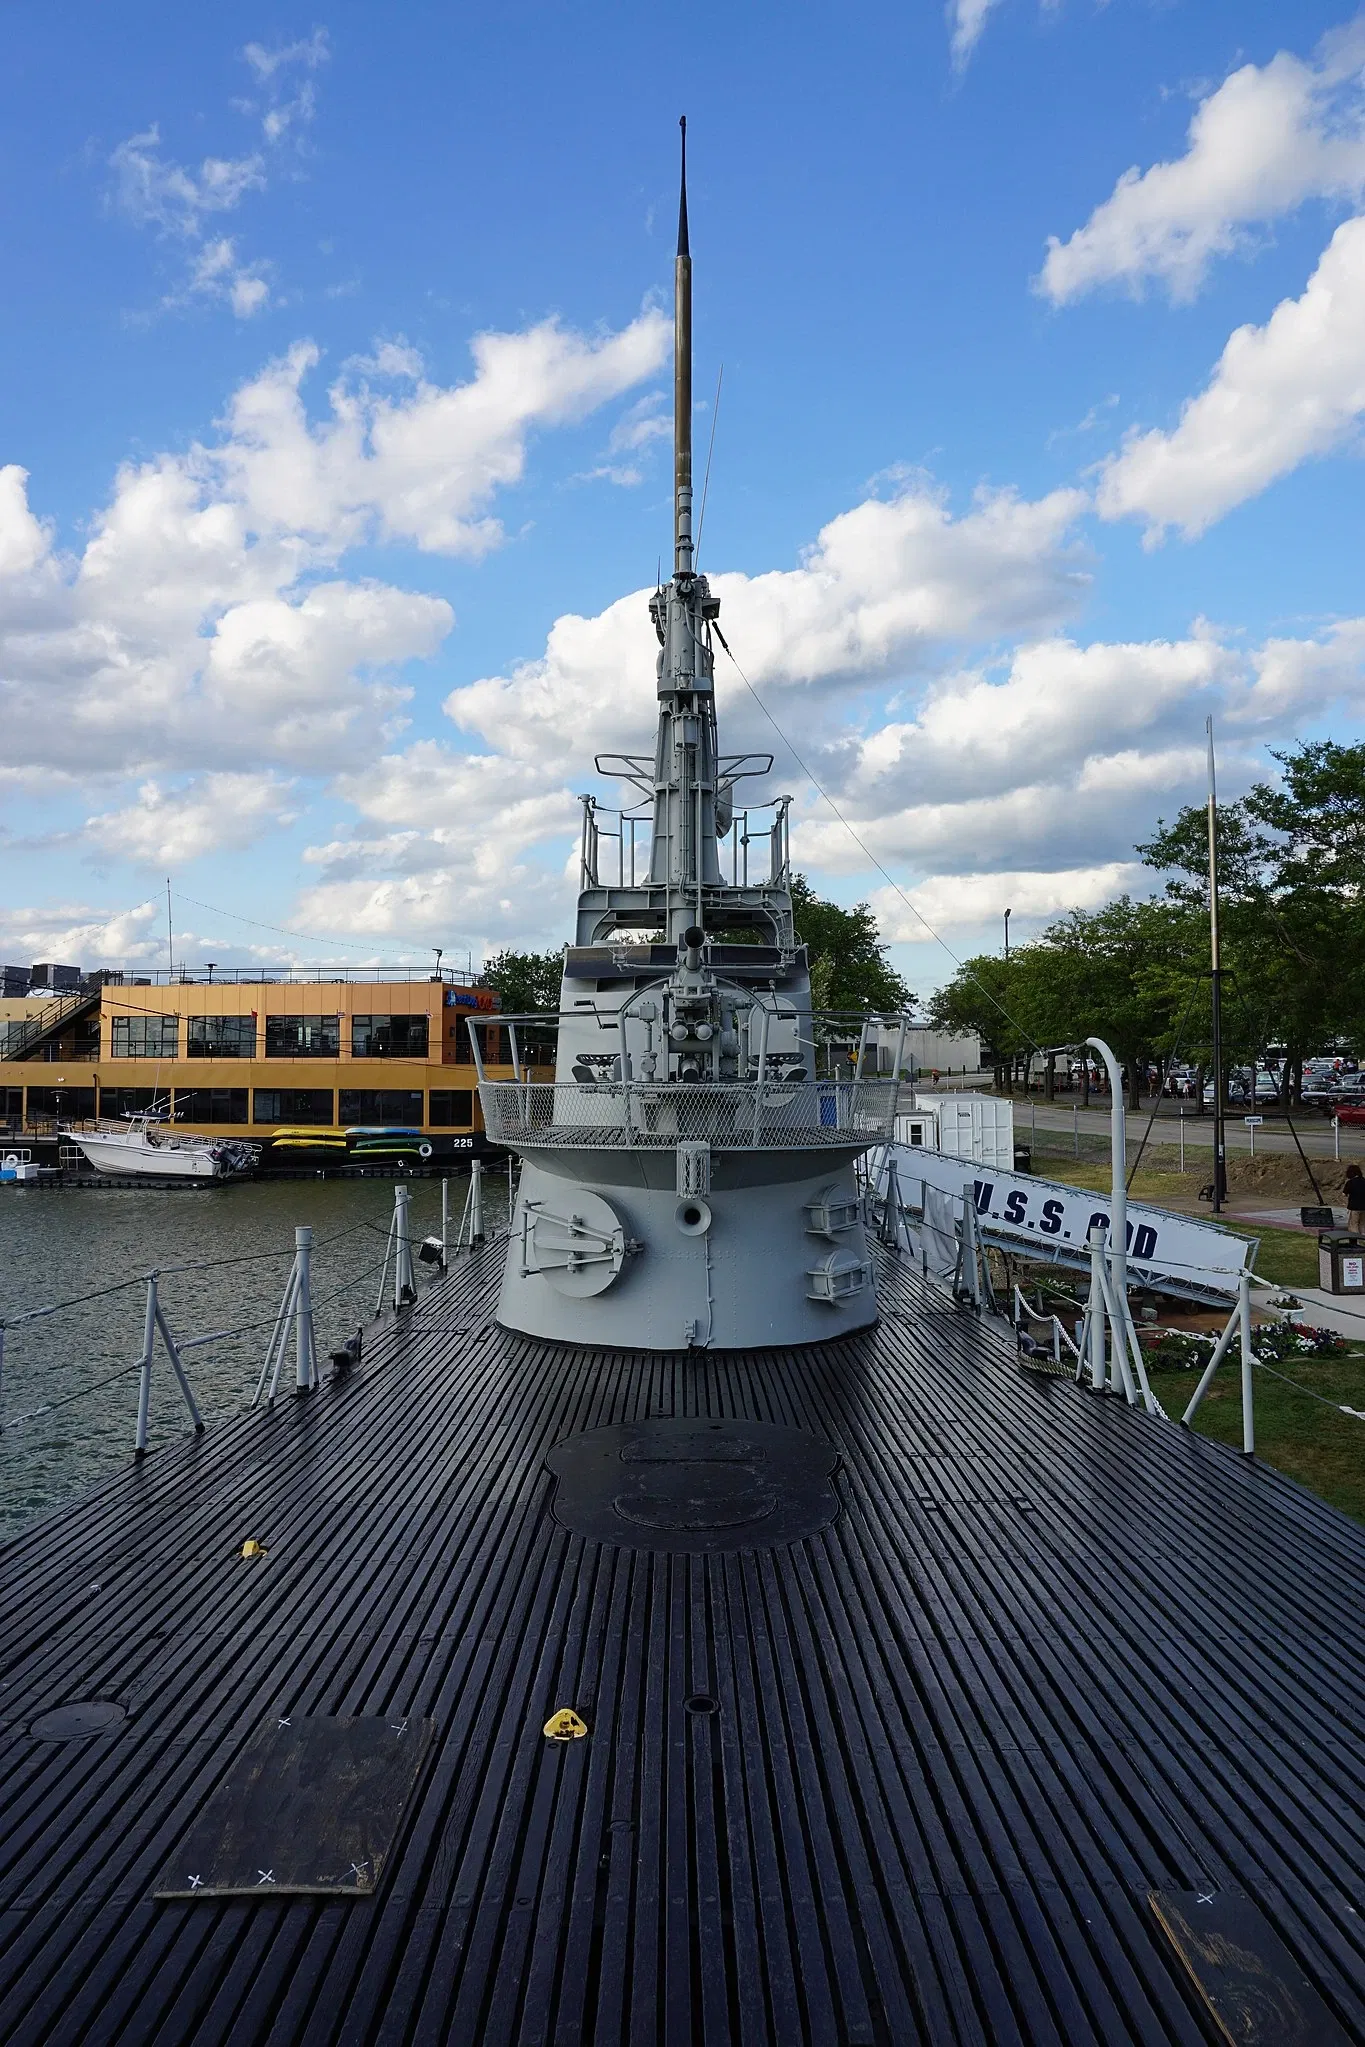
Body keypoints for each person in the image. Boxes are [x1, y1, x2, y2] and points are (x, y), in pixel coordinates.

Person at [1344, 1162, 1365, 1232]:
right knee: (1362, 1225)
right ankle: (1363, 1239)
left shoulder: (1350, 1182)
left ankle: (1356, 1240)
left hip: (1354, 1207)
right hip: (1364, 1207)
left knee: (1354, 1225)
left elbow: (1344, 1193)